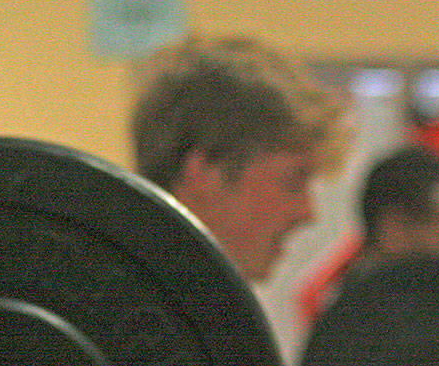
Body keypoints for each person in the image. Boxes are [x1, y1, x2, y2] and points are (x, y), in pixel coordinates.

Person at [131, 35, 349, 283]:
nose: (308, 213)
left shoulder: (182, 302)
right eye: (292, 183)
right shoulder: (126, 305)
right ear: (204, 173)